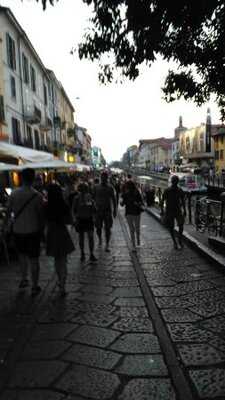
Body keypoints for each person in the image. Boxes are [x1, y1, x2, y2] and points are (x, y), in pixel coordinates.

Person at [7, 168, 45, 296]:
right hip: (33, 230)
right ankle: (35, 286)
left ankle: (24, 279)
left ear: (22, 178)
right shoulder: (38, 196)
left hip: (18, 230)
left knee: (22, 256)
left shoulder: (14, 193)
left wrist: (7, 226)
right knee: (34, 259)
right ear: (33, 179)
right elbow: (41, 216)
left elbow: (8, 212)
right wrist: (42, 232)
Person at [46, 184, 75, 296]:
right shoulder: (64, 205)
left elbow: (45, 221)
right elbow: (70, 221)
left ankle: (60, 281)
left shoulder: (46, 206)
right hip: (62, 233)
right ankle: (63, 285)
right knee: (63, 260)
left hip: (52, 233)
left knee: (57, 261)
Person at [72, 182, 97, 262]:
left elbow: (93, 209)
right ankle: (83, 253)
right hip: (81, 219)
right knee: (82, 238)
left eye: (85, 189)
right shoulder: (76, 198)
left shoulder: (89, 197)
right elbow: (73, 210)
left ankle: (90, 254)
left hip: (88, 219)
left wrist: (92, 205)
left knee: (90, 237)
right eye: (82, 189)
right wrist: (75, 219)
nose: (83, 191)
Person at [160, 175, 186, 250]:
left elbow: (162, 201)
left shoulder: (172, 190)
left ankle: (177, 241)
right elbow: (183, 201)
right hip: (172, 210)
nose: (175, 182)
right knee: (174, 226)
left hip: (173, 210)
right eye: (174, 181)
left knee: (178, 225)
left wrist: (162, 211)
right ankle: (177, 241)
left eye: (175, 181)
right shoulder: (170, 190)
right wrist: (184, 210)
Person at [94, 172, 117, 252]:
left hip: (107, 210)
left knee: (108, 228)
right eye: (102, 177)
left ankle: (107, 244)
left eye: (105, 177)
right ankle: (100, 239)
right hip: (98, 211)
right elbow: (93, 198)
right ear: (100, 178)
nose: (103, 179)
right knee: (98, 228)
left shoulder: (110, 188)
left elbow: (114, 199)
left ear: (107, 178)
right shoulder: (96, 187)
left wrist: (115, 210)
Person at [121, 180, 144, 251]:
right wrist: (137, 203)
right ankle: (138, 242)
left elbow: (122, 204)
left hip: (128, 213)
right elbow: (141, 202)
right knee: (137, 228)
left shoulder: (125, 194)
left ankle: (134, 245)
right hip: (136, 213)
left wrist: (122, 202)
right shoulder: (137, 192)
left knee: (132, 229)